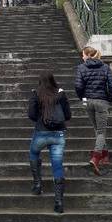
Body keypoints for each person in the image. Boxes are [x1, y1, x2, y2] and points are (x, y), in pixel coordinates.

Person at [28, 71, 71, 214]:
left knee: (34, 153)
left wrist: (41, 119)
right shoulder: (61, 93)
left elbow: (31, 114)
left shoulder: (36, 93)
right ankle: (59, 202)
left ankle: (37, 184)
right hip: (58, 134)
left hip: (41, 132)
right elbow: (68, 115)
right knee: (57, 166)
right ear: (53, 80)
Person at [75, 46, 112, 175]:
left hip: (88, 101)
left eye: (83, 55)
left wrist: (83, 98)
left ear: (87, 55)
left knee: (97, 129)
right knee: (101, 131)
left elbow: (78, 86)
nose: (82, 57)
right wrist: (108, 98)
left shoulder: (81, 68)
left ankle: (104, 155)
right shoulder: (105, 68)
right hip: (101, 101)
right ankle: (96, 157)